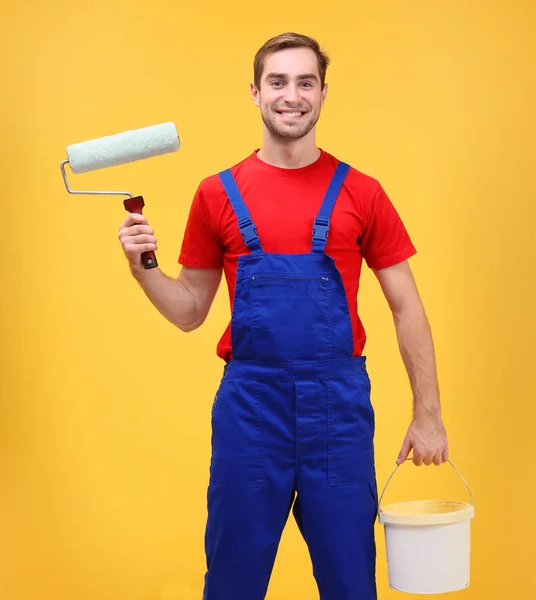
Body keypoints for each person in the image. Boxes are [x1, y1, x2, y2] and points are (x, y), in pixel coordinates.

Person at [118, 32, 449, 600]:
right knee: (231, 583)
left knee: (349, 582)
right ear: (255, 92)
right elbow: (190, 311)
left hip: (337, 418)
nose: (291, 95)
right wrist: (141, 265)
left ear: (323, 93)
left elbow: (407, 308)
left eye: (304, 82)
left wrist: (429, 415)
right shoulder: (216, 194)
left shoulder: (363, 193)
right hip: (250, 414)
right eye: (277, 82)